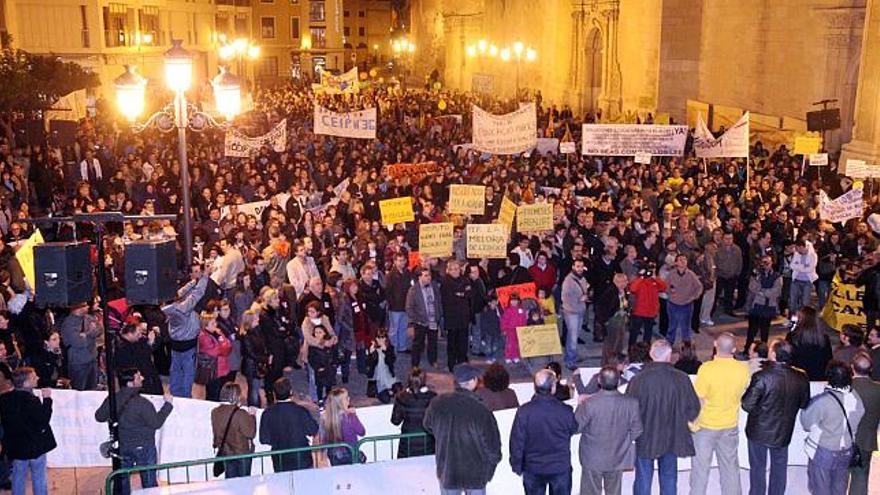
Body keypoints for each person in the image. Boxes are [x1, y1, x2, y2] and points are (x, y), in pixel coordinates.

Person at [626, 339, 701, 495]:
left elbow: (629, 410)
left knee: (643, 478)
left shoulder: (638, 379)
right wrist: (680, 421)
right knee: (669, 478)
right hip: (672, 435)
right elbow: (694, 408)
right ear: (669, 356)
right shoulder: (682, 378)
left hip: (645, 436)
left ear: (651, 354)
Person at [741, 339, 811, 495]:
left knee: (758, 468)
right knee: (779, 468)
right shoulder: (801, 377)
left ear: (773, 354)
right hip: (784, 431)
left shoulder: (761, 376)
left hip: (758, 431)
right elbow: (804, 403)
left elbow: (746, 405)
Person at [424, 363, 502, 495]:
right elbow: (493, 449)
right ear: (472, 381)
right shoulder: (481, 410)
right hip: (476, 476)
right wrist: (487, 473)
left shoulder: (437, 403)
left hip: (448, 471)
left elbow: (427, 425)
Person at [690, 332, 751, 495]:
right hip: (729, 425)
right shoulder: (742, 369)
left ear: (715, 345)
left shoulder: (706, 369)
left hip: (705, 426)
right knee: (730, 467)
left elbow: (699, 398)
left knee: (700, 469)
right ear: (733, 349)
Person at [95, 368, 173, 495]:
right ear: (130, 383)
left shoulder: (113, 399)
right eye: (138, 377)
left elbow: (99, 416)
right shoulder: (142, 403)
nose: (142, 378)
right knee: (149, 485)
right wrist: (168, 405)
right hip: (144, 447)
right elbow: (156, 423)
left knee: (122, 481)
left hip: (123, 446)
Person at [575, 366, 643, 495]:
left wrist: (579, 406)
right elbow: (637, 429)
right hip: (618, 457)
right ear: (618, 382)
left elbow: (576, 428)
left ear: (599, 381)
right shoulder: (631, 403)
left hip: (592, 457)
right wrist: (623, 441)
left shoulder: (589, 403)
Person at [509, 369, 578, 495]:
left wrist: (516, 465)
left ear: (535, 387)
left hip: (533, 468)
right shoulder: (566, 411)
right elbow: (573, 429)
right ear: (553, 387)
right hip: (560, 468)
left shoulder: (524, 412)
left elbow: (517, 442)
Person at [801, 361, 865, 495]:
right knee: (839, 488)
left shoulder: (823, 401)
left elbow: (806, 424)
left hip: (824, 451)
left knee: (820, 489)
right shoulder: (856, 398)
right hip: (846, 451)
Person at [0, 367, 55, 495]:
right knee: (39, 476)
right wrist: (47, 400)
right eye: (33, 377)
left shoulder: (4, 399)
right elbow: (43, 420)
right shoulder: (31, 401)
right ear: (25, 383)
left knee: (18, 475)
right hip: (35, 446)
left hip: (16, 447)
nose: (37, 378)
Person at [162, 267, 209, 398]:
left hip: (176, 345)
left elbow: (180, 293)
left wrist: (194, 281)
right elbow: (197, 294)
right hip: (187, 346)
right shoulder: (181, 309)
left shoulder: (167, 308)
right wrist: (204, 278)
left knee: (175, 370)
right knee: (188, 373)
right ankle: (185, 397)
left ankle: (174, 395)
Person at [258, 377, 319, 472]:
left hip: (280, 459)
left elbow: (264, 439)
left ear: (274, 394)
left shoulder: (267, 413)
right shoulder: (300, 411)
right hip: (302, 457)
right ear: (291, 392)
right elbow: (313, 429)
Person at [211, 383, 257, 479]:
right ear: (236, 396)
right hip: (242, 453)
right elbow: (251, 433)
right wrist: (252, 416)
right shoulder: (240, 414)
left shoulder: (215, 412)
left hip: (226, 453)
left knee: (231, 483)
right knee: (244, 483)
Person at [849, 353, 880, 495]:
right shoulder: (877, 389)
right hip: (867, 440)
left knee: (839, 478)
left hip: (844, 440)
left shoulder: (846, 388)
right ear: (871, 369)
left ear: (852, 368)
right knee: (861, 477)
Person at [390, 367, 436, 458]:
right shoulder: (433, 397)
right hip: (428, 442)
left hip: (407, 443)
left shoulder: (401, 397)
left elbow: (395, 421)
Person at [406, 268, 443, 369]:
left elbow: (438, 301)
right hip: (420, 322)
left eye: (429, 275)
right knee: (417, 344)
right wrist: (415, 320)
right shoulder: (413, 290)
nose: (428, 277)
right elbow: (409, 307)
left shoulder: (434, 287)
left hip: (433, 320)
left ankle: (433, 360)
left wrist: (438, 315)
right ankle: (415, 364)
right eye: (426, 275)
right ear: (419, 277)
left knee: (433, 342)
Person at [318, 387, 366, 465]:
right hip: (351, 454)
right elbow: (362, 432)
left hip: (333, 455)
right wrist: (354, 415)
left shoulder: (324, 418)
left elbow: (322, 440)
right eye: (347, 398)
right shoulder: (349, 417)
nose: (349, 399)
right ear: (341, 403)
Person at [745, 254, 783, 352]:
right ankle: (747, 349)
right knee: (752, 330)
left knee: (765, 330)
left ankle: (763, 351)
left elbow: (777, 291)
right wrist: (764, 291)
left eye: (767, 262)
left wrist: (763, 292)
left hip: (768, 306)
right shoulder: (756, 274)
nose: (765, 265)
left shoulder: (776, 276)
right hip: (756, 305)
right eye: (763, 262)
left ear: (772, 263)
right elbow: (752, 287)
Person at [59, 302, 100, 391]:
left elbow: (99, 330)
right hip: (79, 363)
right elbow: (77, 342)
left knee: (92, 389)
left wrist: (85, 334)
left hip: (92, 359)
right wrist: (89, 332)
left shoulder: (88, 318)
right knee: (79, 390)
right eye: (85, 305)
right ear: (77, 308)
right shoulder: (68, 323)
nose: (88, 306)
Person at [115, 320, 163, 395]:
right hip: (138, 385)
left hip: (149, 377)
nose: (141, 336)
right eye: (138, 334)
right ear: (130, 334)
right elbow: (140, 359)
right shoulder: (121, 348)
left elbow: (151, 345)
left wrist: (157, 334)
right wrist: (149, 344)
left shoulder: (135, 340)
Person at [440, 261, 472, 372]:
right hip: (451, 317)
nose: (455, 271)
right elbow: (448, 298)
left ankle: (462, 362)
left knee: (463, 342)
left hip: (463, 316)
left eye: (457, 268)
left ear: (460, 269)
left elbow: (468, 294)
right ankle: (451, 365)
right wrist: (460, 294)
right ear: (448, 270)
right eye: (452, 269)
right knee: (452, 343)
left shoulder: (465, 280)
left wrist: (459, 294)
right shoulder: (445, 281)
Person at [664, 254, 703, 345]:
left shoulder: (691, 274)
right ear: (676, 262)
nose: (683, 261)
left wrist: (694, 296)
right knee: (672, 326)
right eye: (680, 259)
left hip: (686, 304)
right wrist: (670, 291)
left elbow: (699, 287)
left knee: (686, 327)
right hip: (673, 304)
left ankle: (686, 347)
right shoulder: (671, 274)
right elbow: (665, 286)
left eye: (685, 259)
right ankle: (669, 344)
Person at [788, 306, 833, 380]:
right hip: (818, 378)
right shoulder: (824, 339)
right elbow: (828, 360)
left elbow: (788, 359)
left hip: (797, 379)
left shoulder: (792, 337)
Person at [628, 263, 667, 347]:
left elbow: (664, 287)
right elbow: (633, 289)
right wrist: (641, 276)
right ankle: (631, 349)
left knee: (648, 333)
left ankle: (646, 350)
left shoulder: (655, 281)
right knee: (634, 332)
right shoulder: (640, 280)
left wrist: (655, 278)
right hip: (639, 311)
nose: (651, 271)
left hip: (651, 311)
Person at [561, 258, 590, 370]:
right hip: (571, 312)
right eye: (578, 266)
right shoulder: (568, 281)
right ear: (573, 267)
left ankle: (573, 355)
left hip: (580, 310)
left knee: (575, 335)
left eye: (581, 266)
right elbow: (565, 298)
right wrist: (580, 299)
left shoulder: (582, 279)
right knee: (572, 337)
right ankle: (570, 360)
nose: (580, 268)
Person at [198, 311, 234, 401]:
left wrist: (222, 343)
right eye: (213, 323)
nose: (216, 324)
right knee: (213, 395)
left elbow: (229, 346)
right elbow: (216, 352)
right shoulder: (204, 337)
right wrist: (222, 343)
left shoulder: (217, 332)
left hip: (221, 368)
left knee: (220, 392)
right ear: (206, 326)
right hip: (213, 371)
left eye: (215, 322)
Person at [595, 273, 630, 364]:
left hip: (621, 320)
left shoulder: (624, 291)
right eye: (619, 282)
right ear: (615, 282)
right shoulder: (610, 292)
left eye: (624, 281)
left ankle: (617, 362)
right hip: (612, 321)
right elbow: (600, 307)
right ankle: (607, 364)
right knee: (611, 344)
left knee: (620, 343)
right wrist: (604, 321)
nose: (622, 284)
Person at [386, 253, 413, 352]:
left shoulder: (407, 273)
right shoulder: (391, 275)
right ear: (395, 262)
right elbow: (388, 292)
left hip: (405, 305)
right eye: (399, 260)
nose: (402, 262)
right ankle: (393, 348)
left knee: (403, 328)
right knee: (394, 329)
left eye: (403, 260)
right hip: (395, 307)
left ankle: (402, 347)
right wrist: (392, 304)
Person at [365, 330, 399, 403]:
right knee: (386, 399)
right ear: (376, 338)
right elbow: (368, 367)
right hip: (377, 379)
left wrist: (386, 352)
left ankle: (388, 390)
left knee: (399, 391)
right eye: (378, 338)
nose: (380, 340)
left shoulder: (390, 348)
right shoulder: (372, 348)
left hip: (388, 376)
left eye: (382, 337)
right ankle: (380, 392)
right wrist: (370, 354)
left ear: (386, 338)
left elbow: (391, 362)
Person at [307, 325, 337, 403]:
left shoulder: (329, 344)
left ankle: (328, 399)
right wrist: (317, 367)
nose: (317, 334)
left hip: (329, 367)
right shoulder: (312, 345)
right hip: (319, 368)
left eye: (320, 332)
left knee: (328, 385)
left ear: (324, 333)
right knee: (319, 385)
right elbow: (311, 358)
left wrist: (334, 364)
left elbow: (334, 354)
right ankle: (320, 400)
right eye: (316, 332)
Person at [789, 239, 818, 315]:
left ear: (802, 247)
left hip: (807, 282)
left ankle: (803, 319)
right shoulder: (796, 254)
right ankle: (793, 319)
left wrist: (798, 266)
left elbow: (810, 269)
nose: (796, 250)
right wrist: (804, 267)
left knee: (805, 302)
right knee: (793, 302)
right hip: (796, 281)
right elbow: (792, 265)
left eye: (797, 248)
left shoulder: (813, 255)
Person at [500, 293, 527, 364]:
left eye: (515, 301)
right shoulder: (507, 310)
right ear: (510, 301)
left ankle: (515, 356)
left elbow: (524, 319)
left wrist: (524, 328)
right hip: (510, 330)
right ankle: (508, 356)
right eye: (512, 301)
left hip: (519, 330)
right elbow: (504, 320)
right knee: (509, 344)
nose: (514, 302)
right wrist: (504, 329)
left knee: (516, 344)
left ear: (518, 301)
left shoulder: (521, 310)